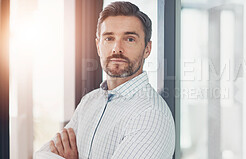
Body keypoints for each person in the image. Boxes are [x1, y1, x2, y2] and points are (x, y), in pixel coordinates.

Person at [34, 1, 175, 159]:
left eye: (129, 39)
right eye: (109, 38)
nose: (117, 48)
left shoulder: (151, 116)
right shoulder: (89, 101)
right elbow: (41, 155)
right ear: (98, 46)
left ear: (147, 49)